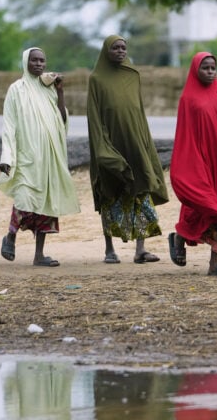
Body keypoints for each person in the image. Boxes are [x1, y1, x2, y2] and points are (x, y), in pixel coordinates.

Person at [87, 35, 168, 264]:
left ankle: (141, 249)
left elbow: (139, 112)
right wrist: (103, 148)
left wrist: (144, 144)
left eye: (124, 47)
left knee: (140, 190)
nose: (121, 51)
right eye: (115, 47)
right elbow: (94, 116)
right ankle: (109, 249)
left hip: (134, 143)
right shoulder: (96, 80)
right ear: (106, 51)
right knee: (109, 193)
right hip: (110, 143)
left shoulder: (133, 76)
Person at [0, 47, 80, 266]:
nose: (39, 64)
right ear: (26, 62)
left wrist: (60, 91)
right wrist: (7, 156)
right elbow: (9, 125)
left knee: (46, 204)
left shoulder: (49, 89)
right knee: (24, 198)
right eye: (34, 60)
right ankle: (11, 236)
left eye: (42, 61)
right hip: (27, 156)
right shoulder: (16, 89)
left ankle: (39, 254)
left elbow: (62, 121)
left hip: (49, 158)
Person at [167, 52, 217, 276]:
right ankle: (180, 236)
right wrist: (192, 162)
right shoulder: (188, 99)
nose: (210, 72)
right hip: (200, 161)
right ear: (195, 70)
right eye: (205, 68)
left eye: (213, 68)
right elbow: (185, 135)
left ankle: (213, 263)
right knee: (202, 205)